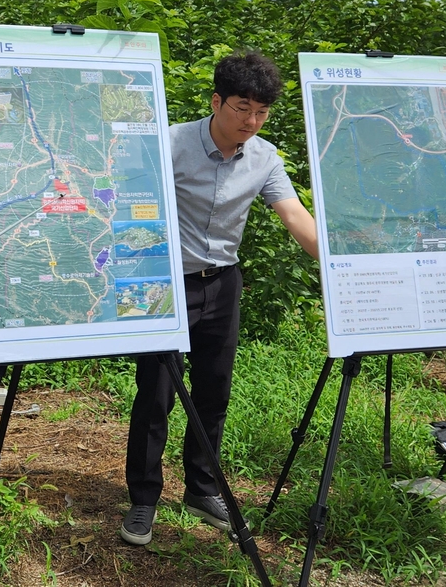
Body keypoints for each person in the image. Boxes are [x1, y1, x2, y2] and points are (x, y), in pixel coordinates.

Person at [121, 51, 318, 545]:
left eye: (261, 112)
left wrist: (346, 265)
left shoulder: (265, 158)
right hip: (162, 283)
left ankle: (201, 488)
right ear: (216, 101)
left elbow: (297, 219)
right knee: (157, 394)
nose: (251, 121)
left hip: (223, 283)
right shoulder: (168, 145)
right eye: (241, 108)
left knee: (214, 390)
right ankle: (143, 500)